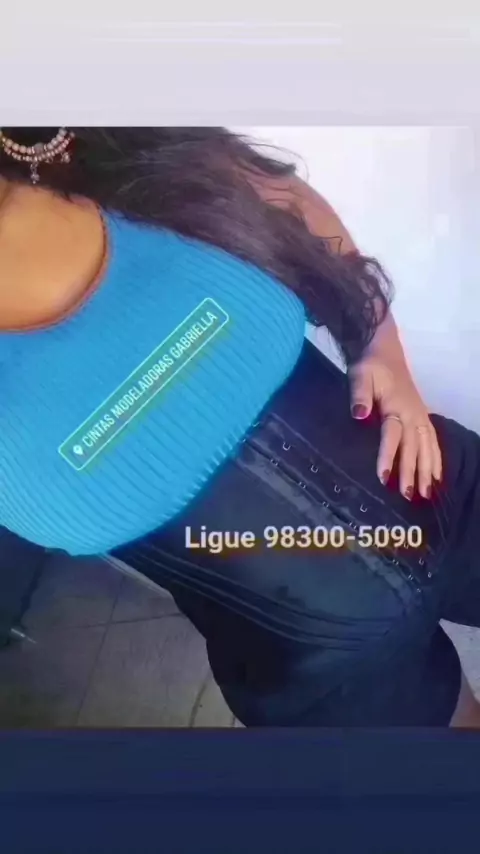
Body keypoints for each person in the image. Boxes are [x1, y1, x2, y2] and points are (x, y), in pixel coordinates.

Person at [0, 126, 479, 727]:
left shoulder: (116, 151)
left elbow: (284, 197)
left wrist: (377, 340)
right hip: (325, 681)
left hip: (448, 494)